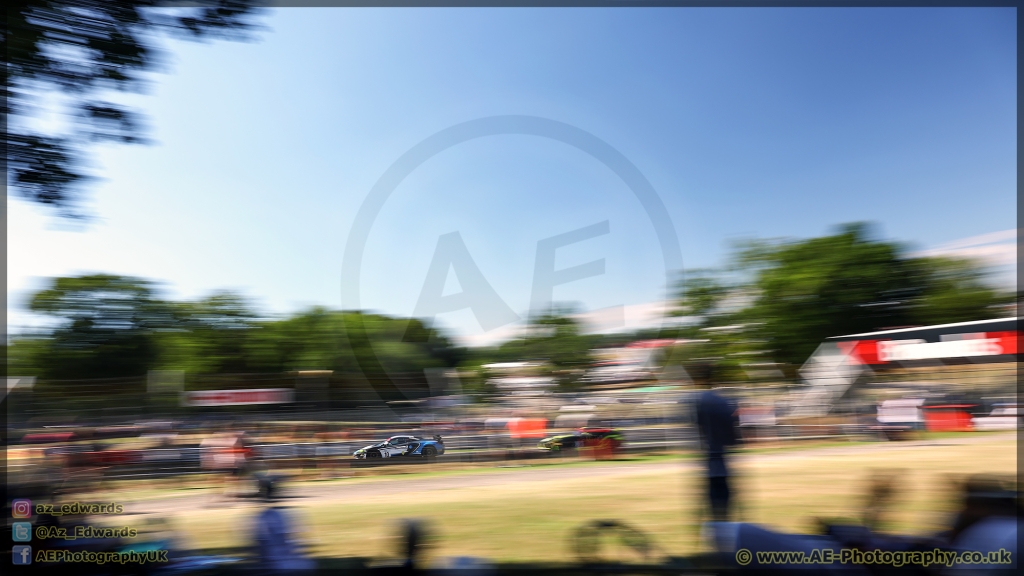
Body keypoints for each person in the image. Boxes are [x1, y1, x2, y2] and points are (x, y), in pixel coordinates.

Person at [691, 362, 740, 522]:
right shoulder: (722, 402)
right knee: (725, 508)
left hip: (708, 462)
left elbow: (698, 431)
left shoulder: (698, 402)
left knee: (713, 510)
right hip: (722, 461)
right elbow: (733, 438)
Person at [250, 475, 315, 574]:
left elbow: (259, 549)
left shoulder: (259, 518)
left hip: (276, 567)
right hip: (298, 565)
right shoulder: (292, 514)